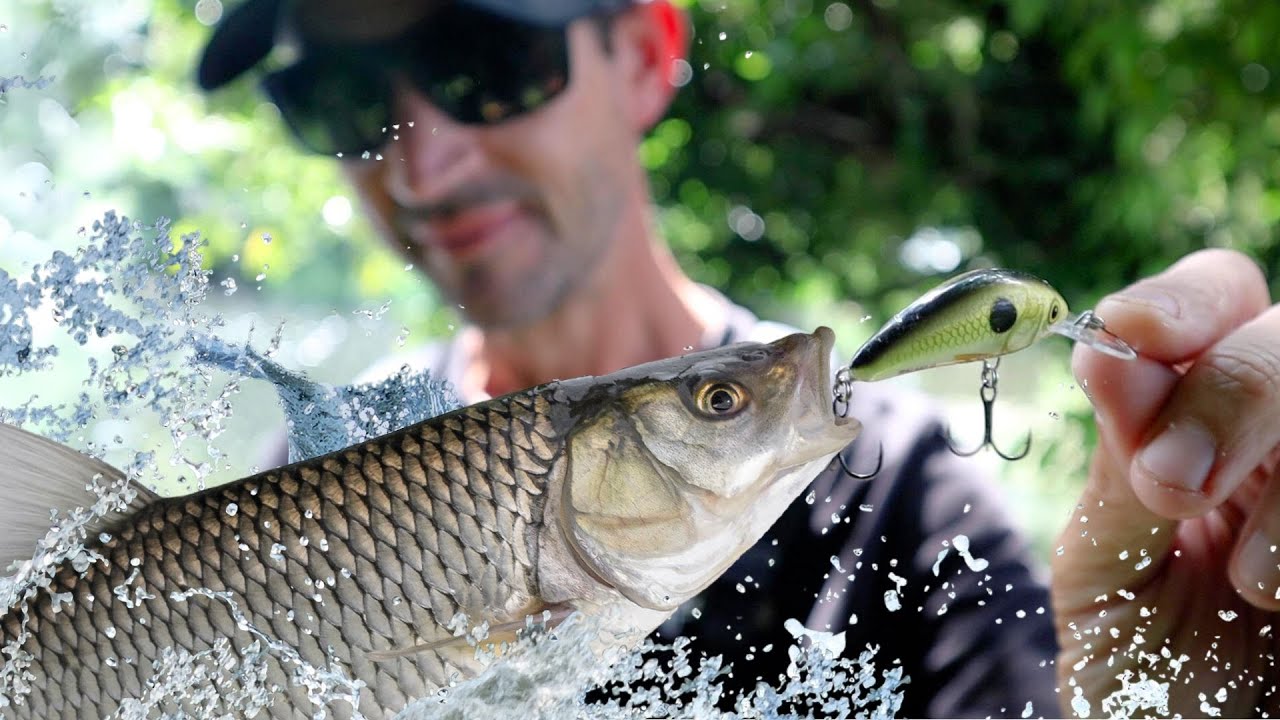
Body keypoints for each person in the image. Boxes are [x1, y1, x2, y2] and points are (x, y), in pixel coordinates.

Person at [196, 0, 1280, 716]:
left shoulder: (904, 503)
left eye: (481, 67)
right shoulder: (309, 472)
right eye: (339, 101)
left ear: (643, 55)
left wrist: (1158, 703)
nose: (420, 164)